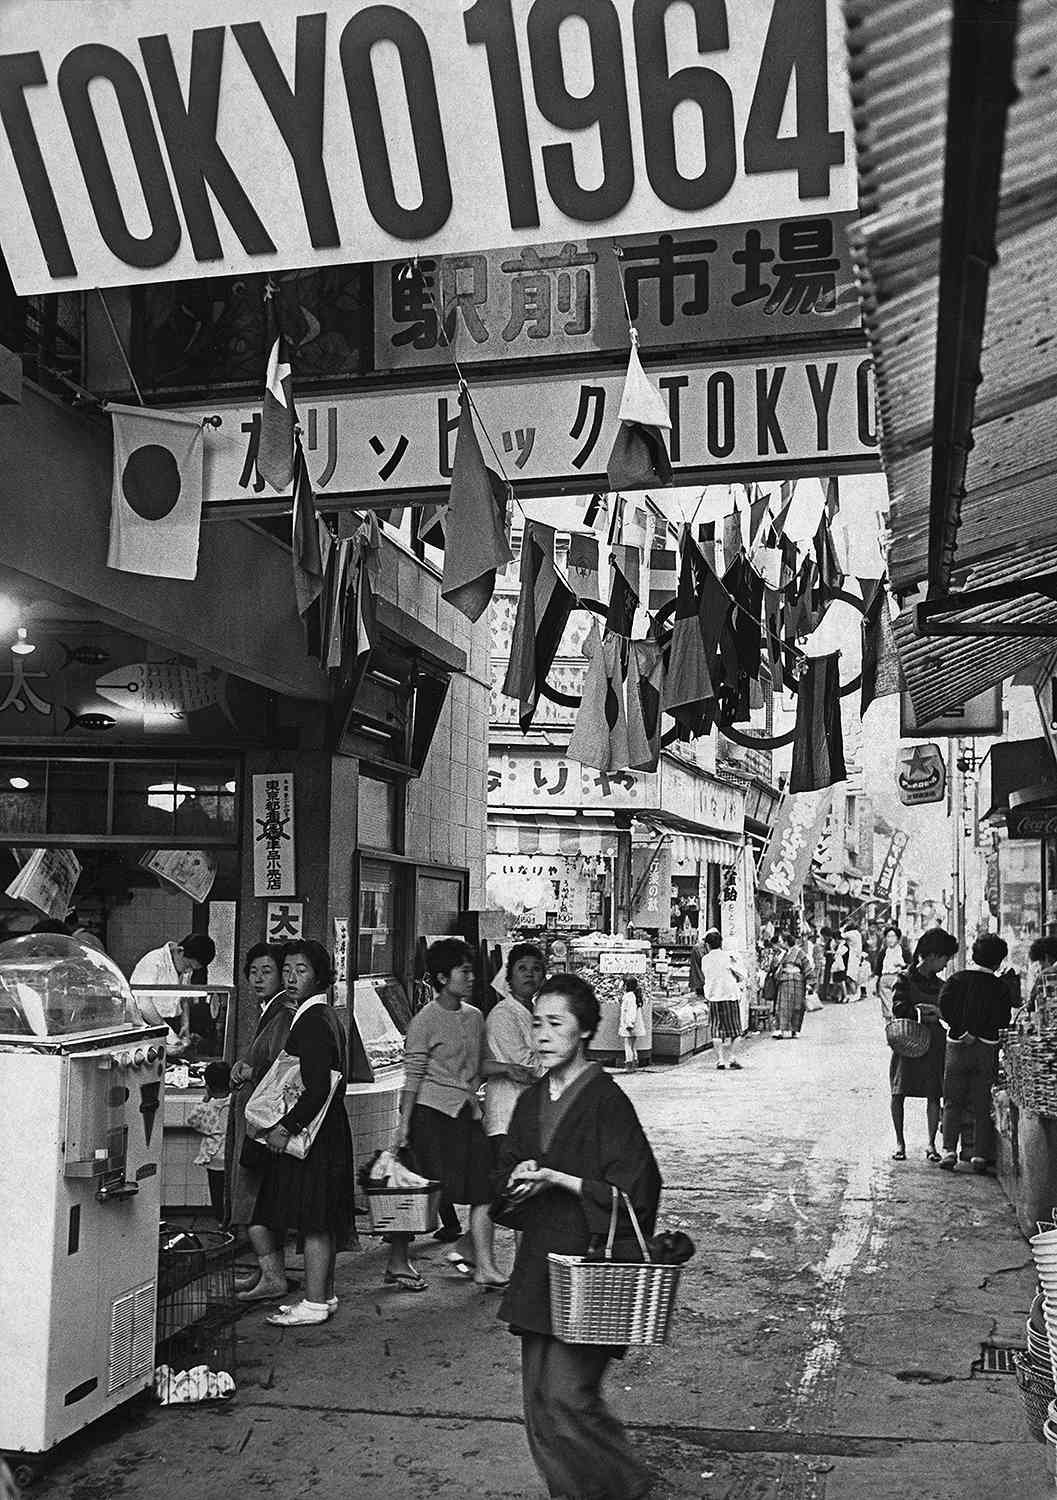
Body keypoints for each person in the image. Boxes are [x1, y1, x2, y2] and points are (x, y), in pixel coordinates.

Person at [494, 973, 660, 1500]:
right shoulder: (530, 1100)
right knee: (539, 1403)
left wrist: (561, 1179)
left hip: (593, 1272)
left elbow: (639, 1187)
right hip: (540, 1264)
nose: (542, 1035)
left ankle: (624, 1486)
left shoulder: (606, 1101)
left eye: (555, 1023)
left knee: (568, 1396)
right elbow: (504, 1178)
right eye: (537, 1023)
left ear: (585, 1030)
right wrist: (516, 1184)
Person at [387, 938, 506, 1292]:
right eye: (463, 971)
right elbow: (413, 1074)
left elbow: (481, 1062)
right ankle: (397, 1261)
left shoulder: (475, 1016)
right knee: (412, 1193)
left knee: (486, 1188)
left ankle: (483, 1264)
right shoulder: (425, 1019)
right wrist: (403, 1126)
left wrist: (511, 1070)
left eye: (471, 971)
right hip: (429, 1115)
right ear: (441, 977)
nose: (471, 978)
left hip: (467, 1114)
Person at [252, 940, 354, 1327]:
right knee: (322, 1217)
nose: (292, 978)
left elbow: (316, 1088)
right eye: (289, 970)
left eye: (302, 971)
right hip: (330, 1130)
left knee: (313, 1219)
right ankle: (324, 1296)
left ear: (320, 976)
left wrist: (284, 1127)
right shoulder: (324, 1014)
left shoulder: (311, 1022)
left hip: (315, 1133)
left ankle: (312, 1302)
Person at [229, 943, 296, 1301]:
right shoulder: (270, 1011)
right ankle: (268, 1271)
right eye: (252, 971)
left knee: (253, 1198)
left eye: (266, 971)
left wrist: (250, 1070)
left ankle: (273, 1278)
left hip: (263, 1121)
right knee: (262, 1199)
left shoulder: (283, 1014)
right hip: (262, 1117)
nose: (257, 978)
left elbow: (280, 1068)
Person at [938, 934, 1014, 1174]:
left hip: (957, 1047)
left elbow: (945, 1006)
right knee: (982, 1103)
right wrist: (981, 1032)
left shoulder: (957, 979)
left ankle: (949, 1150)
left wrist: (962, 1031)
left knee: (952, 1100)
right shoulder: (1000, 986)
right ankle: (980, 1155)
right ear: (999, 962)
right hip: (986, 1048)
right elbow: (1003, 1019)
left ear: (973, 955)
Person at [889, 928, 959, 1162]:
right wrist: (919, 1013)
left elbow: (950, 1015)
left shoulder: (942, 985)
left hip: (934, 1044)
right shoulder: (904, 979)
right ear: (931, 955)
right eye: (944, 958)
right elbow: (898, 1008)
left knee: (933, 1094)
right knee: (899, 1092)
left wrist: (939, 1013)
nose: (945, 963)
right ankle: (900, 1143)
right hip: (907, 1041)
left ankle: (931, 1144)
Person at [129, 932, 216, 1044]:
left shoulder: (185, 966)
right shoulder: (153, 961)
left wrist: (185, 1024)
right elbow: (144, 1004)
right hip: (148, 1024)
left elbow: (183, 998)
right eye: (188, 966)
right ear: (180, 951)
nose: (188, 971)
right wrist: (168, 1033)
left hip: (172, 1023)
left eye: (193, 969)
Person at [691, 928, 746, 1070]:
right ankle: (733, 1058)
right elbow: (742, 974)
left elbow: (706, 974)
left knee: (716, 1029)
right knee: (735, 1030)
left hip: (713, 996)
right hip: (730, 996)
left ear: (708, 945)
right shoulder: (728, 957)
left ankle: (720, 1060)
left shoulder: (705, 959)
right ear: (721, 943)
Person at [187, 1061, 231, 1222]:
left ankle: (221, 1222)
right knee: (231, 1194)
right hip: (232, 1156)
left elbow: (192, 1121)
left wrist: (205, 1099)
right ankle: (232, 1223)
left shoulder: (207, 1107)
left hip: (214, 1158)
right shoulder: (234, 1103)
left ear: (208, 1086)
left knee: (217, 1193)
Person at [772, 932, 815, 1039]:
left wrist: (810, 984)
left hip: (797, 981)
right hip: (785, 981)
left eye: (782, 941)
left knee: (797, 1006)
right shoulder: (785, 953)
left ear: (786, 942)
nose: (781, 943)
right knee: (782, 1007)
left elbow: (807, 967)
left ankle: (795, 1030)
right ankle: (781, 1030)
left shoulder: (800, 952)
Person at [875, 925, 912, 1021]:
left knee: (898, 1006)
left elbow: (911, 967)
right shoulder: (883, 952)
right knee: (887, 1010)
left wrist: (903, 965)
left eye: (893, 936)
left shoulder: (904, 952)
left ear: (898, 938)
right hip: (884, 980)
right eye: (888, 936)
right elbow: (878, 970)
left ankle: (898, 1028)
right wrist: (877, 983)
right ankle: (889, 1028)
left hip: (898, 979)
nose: (890, 939)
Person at [618, 974, 646, 1070]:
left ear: (626, 985)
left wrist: (629, 1024)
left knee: (627, 1045)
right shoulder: (633, 995)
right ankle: (635, 1061)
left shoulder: (629, 996)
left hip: (629, 1025)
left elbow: (631, 1011)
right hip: (634, 1024)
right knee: (633, 1045)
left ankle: (629, 1064)